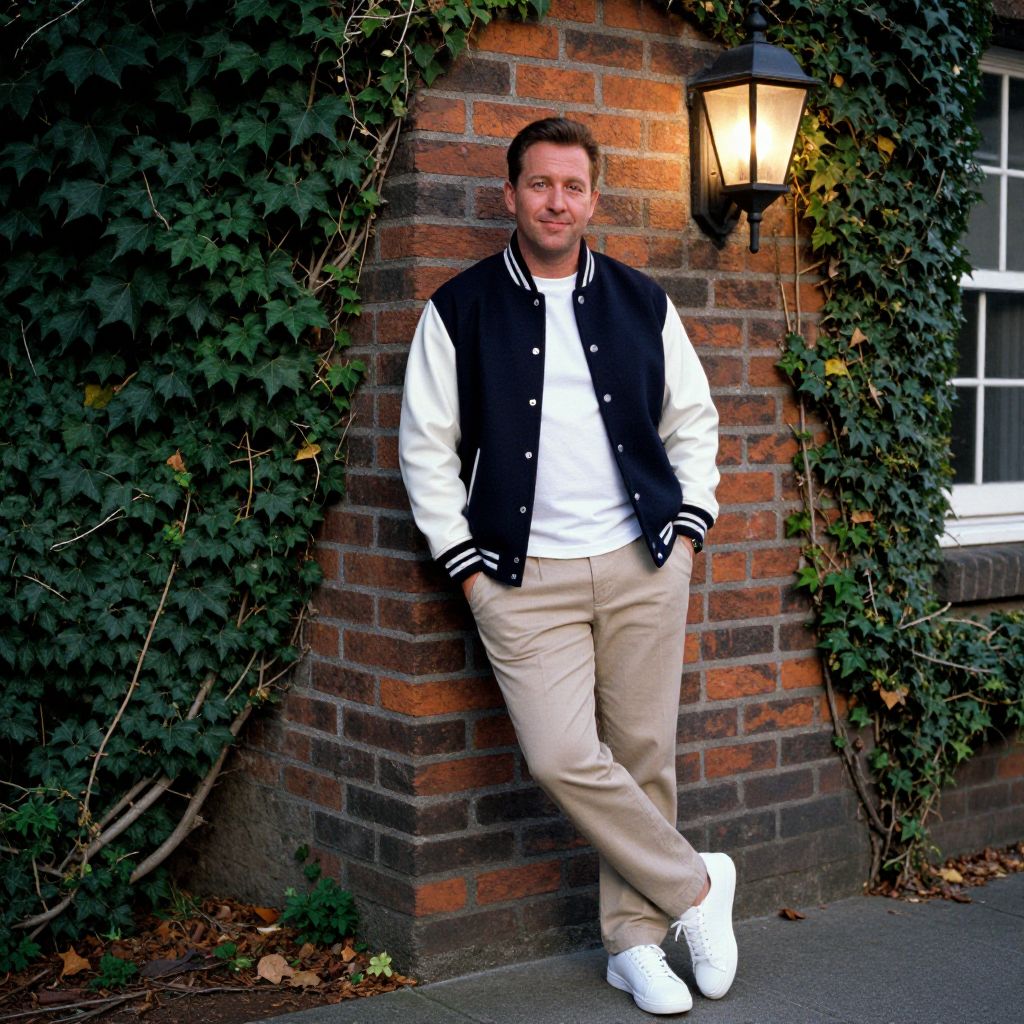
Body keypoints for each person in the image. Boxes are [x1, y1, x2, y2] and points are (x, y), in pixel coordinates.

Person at [398, 117, 735, 1015]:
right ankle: (698, 884)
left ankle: (633, 945)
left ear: (594, 199)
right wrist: (466, 569)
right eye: (539, 184)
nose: (556, 201)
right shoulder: (458, 309)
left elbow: (693, 422)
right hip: (517, 577)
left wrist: (689, 533)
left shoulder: (639, 300)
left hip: (644, 562)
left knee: (642, 753)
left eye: (573, 186)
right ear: (510, 195)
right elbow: (425, 451)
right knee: (559, 754)